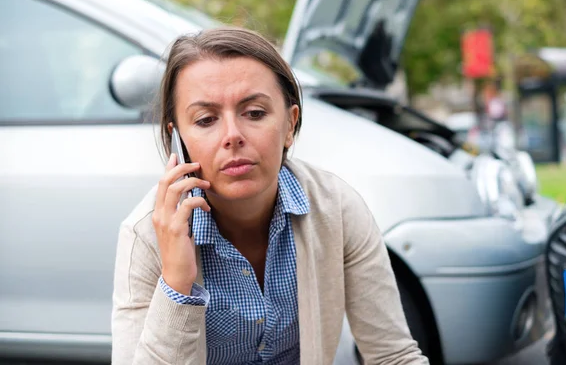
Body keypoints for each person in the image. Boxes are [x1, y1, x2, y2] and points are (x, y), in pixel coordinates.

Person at [111, 27, 429, 365]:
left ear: (290, 124)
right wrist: (176, 283)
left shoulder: (336, 208)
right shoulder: (146, 235)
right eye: (206, 120)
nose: (232, 136)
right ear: (179, 139)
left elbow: (393, 355)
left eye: (255, 113)